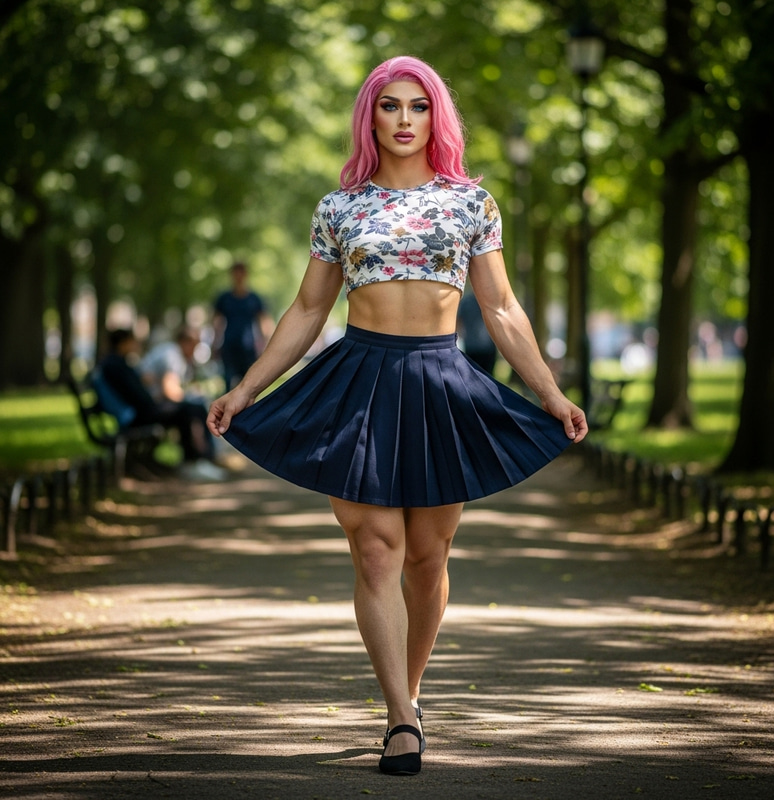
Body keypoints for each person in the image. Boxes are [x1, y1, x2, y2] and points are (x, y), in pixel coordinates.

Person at [207, 56, 588, 776]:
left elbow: (502, 310)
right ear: (371, 117)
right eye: (391, 107)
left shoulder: (472, 203)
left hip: (443, 380)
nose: (405, 119)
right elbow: (308, 310)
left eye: (419, 106)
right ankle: (400, 718)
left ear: (435, 117)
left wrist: (550, 393)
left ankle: (410, 691)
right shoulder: (338, 207)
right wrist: (246, 389)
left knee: (427, 555)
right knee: (376, 548)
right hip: (359, 379)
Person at [99, 329, 226, 481]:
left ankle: (202, 458)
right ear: (124, 342)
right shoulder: (116, 365)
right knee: (190, 409)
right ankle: (195, 461)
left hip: (141, 411)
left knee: (191, 408)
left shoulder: (116, 363)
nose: (135, 344)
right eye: (132, 341)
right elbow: (138, 396)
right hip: (138, 415)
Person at [212, 261, 274, 391]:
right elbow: (217, 322)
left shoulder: (254, 298)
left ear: (246, 274)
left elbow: (263, 321)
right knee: (228, 382)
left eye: (241, 272)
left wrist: (265, 344)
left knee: (248, 385)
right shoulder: (224, 298)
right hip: (229, 345)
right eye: (236, 272)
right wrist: (214, 344)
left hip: (248, 347)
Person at [457, 286, 498, 374]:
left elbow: (458, 322)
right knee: (489, 378)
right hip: (488, 346)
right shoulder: (490, 302)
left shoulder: (465, 301)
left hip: (470, 346)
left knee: (472, 378)